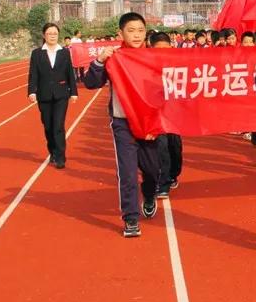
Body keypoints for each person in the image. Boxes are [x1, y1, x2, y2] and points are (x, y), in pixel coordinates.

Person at [84, 12, 160, 238]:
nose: (136, 35)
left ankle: (149, 194)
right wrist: (99, 62)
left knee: (152, 170)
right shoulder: (114, 58)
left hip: (149, 123)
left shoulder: (155, 58)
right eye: (131, 30)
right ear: (121, 33)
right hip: (123, 123)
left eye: (140, 30)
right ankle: (131, 218)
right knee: (127, 172)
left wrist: (157, 124)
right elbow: (91, 83)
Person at [28, 22, 78, 169]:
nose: (52, 36)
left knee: (58, 125)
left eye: (55, 33)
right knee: (48, 126)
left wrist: (74, 92)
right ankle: (53, 152)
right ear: (44, 35)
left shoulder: (64, 52)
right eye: (49, 33)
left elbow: (70, 73)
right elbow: (33, 74)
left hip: (61, 94)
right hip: (44, 95)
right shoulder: (37, 53)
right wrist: (31, 91)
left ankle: (61, 157)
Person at [148, 32, 185, 198]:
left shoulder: (179, 63)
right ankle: (163, 183)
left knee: (175, 147)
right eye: (159, 49)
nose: (163, 52)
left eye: (166, 48)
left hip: (175, 113)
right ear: (151, 49)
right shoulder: (146, 65)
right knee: (161, 147)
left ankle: (173, 174)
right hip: (156, 113)